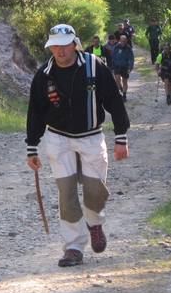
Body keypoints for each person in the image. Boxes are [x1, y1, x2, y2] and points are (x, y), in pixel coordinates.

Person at [26, 23, 130, 267]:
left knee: (95, 191)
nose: (60, 52)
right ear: (50, 48)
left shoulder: (95, 67)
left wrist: (121, 137)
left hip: (92, 137)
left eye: (64, 46)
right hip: (58, 138)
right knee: (67, 193)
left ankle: (94, 223)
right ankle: (73, 247)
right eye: (55, 47)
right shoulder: (43, 75)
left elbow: (114, 102)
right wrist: (32, 146)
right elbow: (35, 112)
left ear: (75, 44)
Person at [108, 32, 134, 97]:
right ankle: (119, 90)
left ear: (126, 41)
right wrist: (112, 66)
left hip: (125, 67)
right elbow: (113, 56)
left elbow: (131, 58)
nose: (123, 42)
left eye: (124, 41)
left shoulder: (128, 48)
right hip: (117, 67)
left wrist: (130, 67)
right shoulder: (116, 47)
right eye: (122, 41)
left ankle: (124, 95)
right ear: (120, 40)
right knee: (117, 80)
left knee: (125, 81)